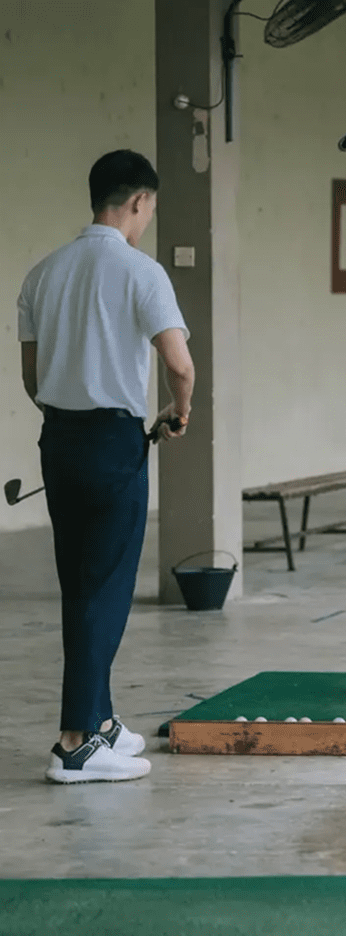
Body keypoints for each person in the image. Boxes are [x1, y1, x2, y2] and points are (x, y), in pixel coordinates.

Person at [18, 150, 195, 783]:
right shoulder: (140, 272)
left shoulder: (43, 273)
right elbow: (179, 364)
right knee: (106, 591)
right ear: (140, 201)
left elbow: (32, 377)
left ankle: (101, 719)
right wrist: (181, 411)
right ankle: (74, 744)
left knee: (82, 584)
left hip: (59, 442)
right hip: (113, 444)